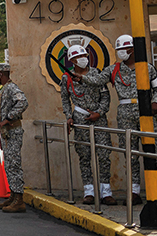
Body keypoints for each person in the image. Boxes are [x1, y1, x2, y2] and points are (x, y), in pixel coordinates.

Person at [78, 34, 157, 206]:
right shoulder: (113, 69)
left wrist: (155, 101)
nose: (121, 53)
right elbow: (98, 80)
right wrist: (82, 78)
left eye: (124, 50)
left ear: (132, 49)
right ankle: (134, 192)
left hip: (145, 113)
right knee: (130, 154)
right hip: (125, 113)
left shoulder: (147, 68)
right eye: (118, 50)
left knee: (154, 152)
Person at [60, 45, 115, 205]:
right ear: (72, 61)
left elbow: (105, 96)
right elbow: (65, 98)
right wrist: (69, 116)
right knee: (84, 155)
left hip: (99, 118)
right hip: (80, 119)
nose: (83, 58)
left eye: (85, 55)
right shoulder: (66, 78)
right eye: (79, 57)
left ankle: (106, 192)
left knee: (104, 155)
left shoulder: (97, 74)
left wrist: (100, 112)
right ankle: (89, 191)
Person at [0, 62, 29, 213]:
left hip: (13, 131)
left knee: (14, 165)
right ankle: (13, 195)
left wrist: (8, 118)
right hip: (7, 133)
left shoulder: (12, 88)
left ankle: (19, 199)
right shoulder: (5, 89)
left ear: (1, 74)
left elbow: (23, 102)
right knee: (8, 164)